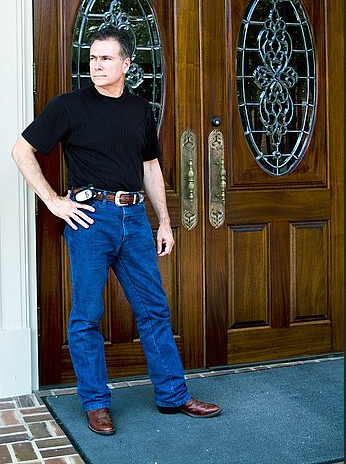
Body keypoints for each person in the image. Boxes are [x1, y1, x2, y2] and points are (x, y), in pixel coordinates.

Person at [12, 26, 221, 435]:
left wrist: (163, 221)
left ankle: (173, 395)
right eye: (92, 58)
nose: (97, 65)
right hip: (91, 220)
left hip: (134, 220)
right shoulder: (68, 106)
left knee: (153, 309)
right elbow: (22, 150)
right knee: (87, 315)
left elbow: (149, 167)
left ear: (126, 64)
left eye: (106, 58)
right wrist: (55, 201)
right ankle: (95, 403)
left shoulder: (140, 109)